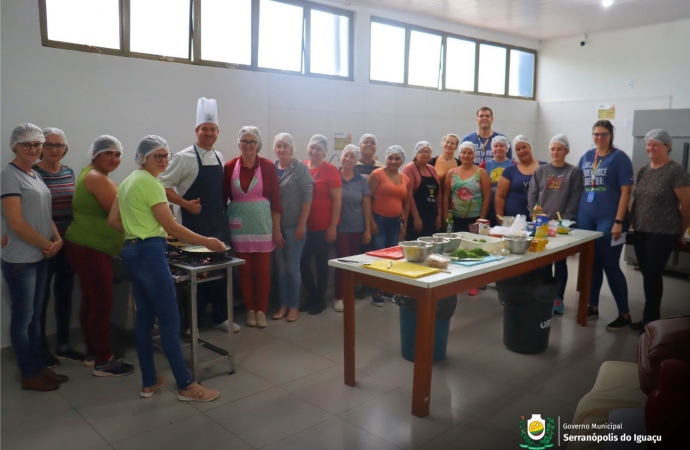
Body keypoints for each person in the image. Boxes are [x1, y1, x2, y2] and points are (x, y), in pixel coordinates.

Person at [108, 135, 221, 402]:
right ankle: (186, 385)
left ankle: (149, 381)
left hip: (132, 252)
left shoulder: (127, 181)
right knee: (170, 321)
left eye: (166, 155)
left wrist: (138, 231)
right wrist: (207, 242)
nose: (163, 160)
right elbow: (171, 227)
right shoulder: (151, 184)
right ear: (143, 158)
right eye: (157, 156)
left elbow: (113, 221)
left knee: (145, 319)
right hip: (149, 254)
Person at [160, 97, 239, 334]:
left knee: (220, 271)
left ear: (217, 132)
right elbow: (162, 186)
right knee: (192, 275)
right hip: (193, 226)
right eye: (204, 129)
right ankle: (188, 324)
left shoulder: (219, 157)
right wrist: (184, 203)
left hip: (217, 224)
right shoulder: (183, 157)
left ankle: (219, 317)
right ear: (196, 131)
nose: (208, 133)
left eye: (212, 129)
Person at [1, 124, 69, 391]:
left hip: (41, 254)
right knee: (23, 319)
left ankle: (40, 366)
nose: (34, 149)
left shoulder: (34, 174)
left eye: (37, 144)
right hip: (21, 259)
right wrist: (46, 245)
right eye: (27, 144)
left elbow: (45, 212)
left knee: (34, 317)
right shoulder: (9, 175)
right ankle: (29, 373)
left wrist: (57, 239)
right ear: (15, 145)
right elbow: (16, 223)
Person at [64, 135, 135, 376]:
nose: (114, 159)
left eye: (117, 155)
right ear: (96, 154)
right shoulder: (96, 178)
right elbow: (120, 214)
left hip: (86, 248)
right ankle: (104, 361)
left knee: (92, 301)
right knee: (102, 304)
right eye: (109, 154)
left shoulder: (92, 174)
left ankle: (94, 351)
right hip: (90, 250)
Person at [33, 128, 84, 366]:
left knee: (64, 294)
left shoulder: (68, 172)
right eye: (50, 145)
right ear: (41, 147)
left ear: (65, 148)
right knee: (40, 298)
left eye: (59, 145)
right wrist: (53, 240)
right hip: (44, 245)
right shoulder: (32, 173)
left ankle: (63, 344)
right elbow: (36, 211)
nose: (55, 149)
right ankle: (40, 347)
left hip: (68, 243)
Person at [576, 120, 634, 331]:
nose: (599, 138)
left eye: (603, 134)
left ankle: (624, 314)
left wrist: (619, 221)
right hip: (586, 217)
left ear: (611, 135)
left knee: (610, 265)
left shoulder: (619, 158)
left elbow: (626, 192)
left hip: (610, 219)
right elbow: (579, 187)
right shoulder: (586, 157)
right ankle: (592, 306)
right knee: (591, 264)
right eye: (596, 134)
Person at [630, 129, 690, 332]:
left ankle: (651, 320)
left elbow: (687, 206)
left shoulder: (676, 171)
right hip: (641, 229)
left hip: (663, 231)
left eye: (655, 144)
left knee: (653, 275)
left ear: (667, 146)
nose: (650, 148)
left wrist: (681, 233)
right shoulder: (644, 170)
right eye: (648, 144)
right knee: (647, 273)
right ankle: (650, 318)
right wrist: (630, 221)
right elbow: (637, 199)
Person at [223, 126, 282, 328]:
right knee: (245, 270)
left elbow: (276, 199)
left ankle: (261, 310)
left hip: (263, 223)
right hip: (238, 225)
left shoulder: (267, 166)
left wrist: (277, 229)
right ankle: (249, 309)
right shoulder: (230, 166)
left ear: (258, 144)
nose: (248, 145)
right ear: (239, 143)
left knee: (263, 270)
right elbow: (223, 198)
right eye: (244, 141)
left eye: (252, 142)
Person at [527, 135, 583, 314]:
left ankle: (558, 298)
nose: (555, 152)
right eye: (552, 149)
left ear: (566, 151)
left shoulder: (573, 172)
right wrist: (536, 214)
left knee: (560, 262)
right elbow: (533, 195)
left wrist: (563, 220)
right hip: (542, 224)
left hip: (561, 225)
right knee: (543, 262)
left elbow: (574, 198)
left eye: (559, 149)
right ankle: (545, 295)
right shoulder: (541, 171)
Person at [272, 133, 313, 322]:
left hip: (295, 226)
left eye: (285, 146)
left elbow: (307, 198)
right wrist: (275, 228)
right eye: (278, 146)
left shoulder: (300, 168)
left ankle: (294, 306)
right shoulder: (272, 168)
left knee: (292, 267)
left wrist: (301, 224)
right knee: (280, 269)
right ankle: (284, 304)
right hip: (277, 227)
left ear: (292, 149)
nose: (281, 149)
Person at [300, 135, 342, 315]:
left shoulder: (330, 170)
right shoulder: (302, 167)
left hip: (323, 226)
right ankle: (312, 295)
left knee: (320, 263)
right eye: (312, 148)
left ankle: (320, 300)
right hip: (304, 225)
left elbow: (337, 199)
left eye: (318, 149)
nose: (314, 151)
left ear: (324, 152)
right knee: (302, 262)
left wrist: (333, 226)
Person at [443, 141, 491, 296]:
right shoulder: (452, 172)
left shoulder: (481, 173)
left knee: (474, 251)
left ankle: (474, 282)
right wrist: (446, 216)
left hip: (475, 218)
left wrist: (481, 219)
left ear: (474, 155)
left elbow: (487, 196)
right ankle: (458, 280)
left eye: (469, 153)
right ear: (459, 154)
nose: (466, 155)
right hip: (456, 218)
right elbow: (445, 197)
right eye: (463, 152)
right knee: (456, 250)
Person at [368, 145, 411, 306]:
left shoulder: (405, 178)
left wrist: (404, 225)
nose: (393, 161)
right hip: (379, 220)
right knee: (379, 256)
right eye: (390, 158)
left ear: (402, 160)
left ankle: (387, 288)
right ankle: (376, 290)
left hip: (395, 222)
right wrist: (371, 222)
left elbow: (406, 203)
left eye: (397, 158)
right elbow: (367, 198)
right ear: (385, 158)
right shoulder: (377, 174)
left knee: (392, 257)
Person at [334, 144, 372, 312]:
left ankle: (349, 294)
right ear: (341, 157)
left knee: (353, 262)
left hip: (356, 226)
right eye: (346, 156)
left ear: (356, 160)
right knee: (342, 261)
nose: (348, 159)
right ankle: (338, 296)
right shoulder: (334, 175)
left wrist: (368, 229)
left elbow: (366, 205)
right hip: (339, 227)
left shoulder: (361, 180)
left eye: (352, 157)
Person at [402, 141, 443, 240]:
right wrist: (416, 218)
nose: (425, 154)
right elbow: (409, 195)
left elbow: (438, 194)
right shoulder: (409, 168)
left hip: (431, 215)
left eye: (428, 152)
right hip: (416, 215)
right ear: (415, 153)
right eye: (422, 151)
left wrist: (439, 215)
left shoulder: (432, 169)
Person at [495, 135, 543, 218]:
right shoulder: (509, 171)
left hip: (540, 219)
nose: (521, 151)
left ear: (530, 147)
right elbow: (500, 197)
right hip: (515, 220)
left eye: (524, 147)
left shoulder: (544, 167)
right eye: (518, 149)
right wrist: (500, 219)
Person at [479, 135, 514, 226]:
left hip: (508, 207)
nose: (498, 148)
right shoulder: (484, 165)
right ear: (492, 148)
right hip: (488, 207)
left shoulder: (514, 165)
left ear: (507, 148)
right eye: (496, 146)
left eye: (502, 146)